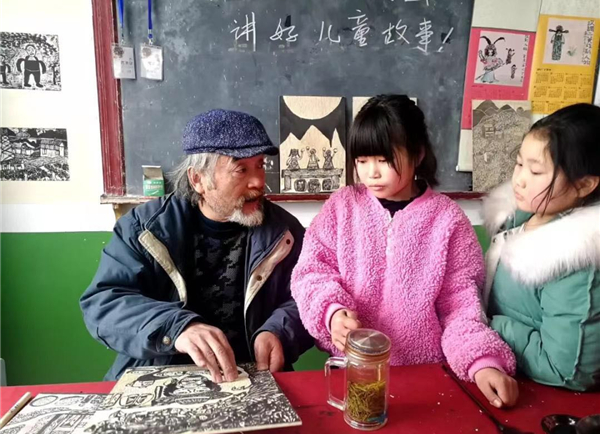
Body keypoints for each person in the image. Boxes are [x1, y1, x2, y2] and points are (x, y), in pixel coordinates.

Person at [291, 95, 518, 408]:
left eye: (384, 160)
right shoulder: (342, 207)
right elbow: (311, 273)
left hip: (426, 375)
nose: (371, 173)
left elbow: (461, 304)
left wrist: (482, 362)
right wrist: (331, 312)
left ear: (418, 154)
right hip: (356, 372)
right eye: (362, 161)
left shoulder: (447, 220)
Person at [81, 109, 313, 382]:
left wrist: (279, 330)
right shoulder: (145, 229)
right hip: (160, 375)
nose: (259, 182)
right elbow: (104, 303)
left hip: (251, 377)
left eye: (260, 165)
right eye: (241, 169)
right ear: (198, 179)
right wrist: (175, 328)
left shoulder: (285, 232)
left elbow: (308, 296)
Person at [483, 103, 600, 391]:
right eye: (519, 164)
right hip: (499, 370)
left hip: (542, 397)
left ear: (584, 185)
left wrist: (488, 325)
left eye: (536, 171)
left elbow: (566, 369)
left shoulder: (577, 257)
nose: (519, 180)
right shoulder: (518, 218)